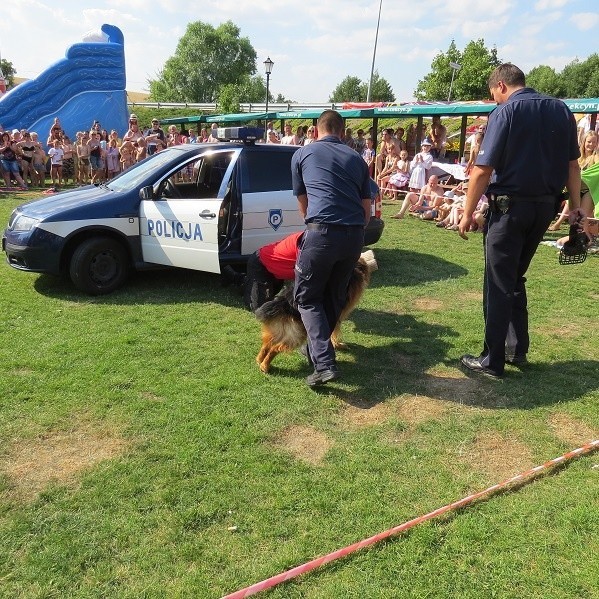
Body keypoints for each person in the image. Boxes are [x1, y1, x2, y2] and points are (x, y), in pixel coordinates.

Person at [458, 63, 581, 378]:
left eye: (493, 95)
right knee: (514, 277)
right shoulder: (561, 110)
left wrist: (468, 212)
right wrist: (576, 209)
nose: (495, 100)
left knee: (499, 282)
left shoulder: (505, 112)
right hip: (545, 208)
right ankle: (516, 348)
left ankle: (492, 360)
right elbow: (572, 166)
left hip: (510, 209)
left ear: (500, 85)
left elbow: (482, 170)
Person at [291, 109, 371, 386]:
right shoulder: (358, 159)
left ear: (316, 130)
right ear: (343, 132)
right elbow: (366, 209)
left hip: (322, 233)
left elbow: (303, 200)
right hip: (353, 237)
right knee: (335, 297)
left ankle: (324, 363)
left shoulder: (302, 154)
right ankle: (315, 349)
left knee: (308, 298)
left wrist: (314, 225)